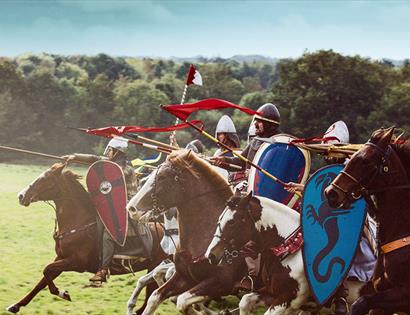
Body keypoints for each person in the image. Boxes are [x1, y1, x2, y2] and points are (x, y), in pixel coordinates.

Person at [286, 121, 377, 315]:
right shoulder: (330, 172)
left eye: (330, 150)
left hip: (352, 217)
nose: (326, 155)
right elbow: (326, 195)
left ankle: (342, 293)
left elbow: (354, 197)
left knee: (349, 243)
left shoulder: (350, 168)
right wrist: (305, 190)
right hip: (329, 217)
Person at [211, 103, 281, 291]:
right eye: (256, 121)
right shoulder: (255, 143)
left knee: (250, 232)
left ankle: (252, 275)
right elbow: (240, 163)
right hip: (249, 191)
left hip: (265, 197)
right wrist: (223, 161)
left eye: (260, 122)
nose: (256, 124)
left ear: (269, 124)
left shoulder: (278, 144)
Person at [64, 138, 146, 283]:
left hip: (128, 207)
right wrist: (74, 157)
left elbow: (110, 176)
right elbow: (94, 158)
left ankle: (103, 270)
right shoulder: (111, 164)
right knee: (95, 225)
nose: (107, 152)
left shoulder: (125, 169)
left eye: (110, 150)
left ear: (116, 152)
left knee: (109, 234)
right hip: (112, 206)